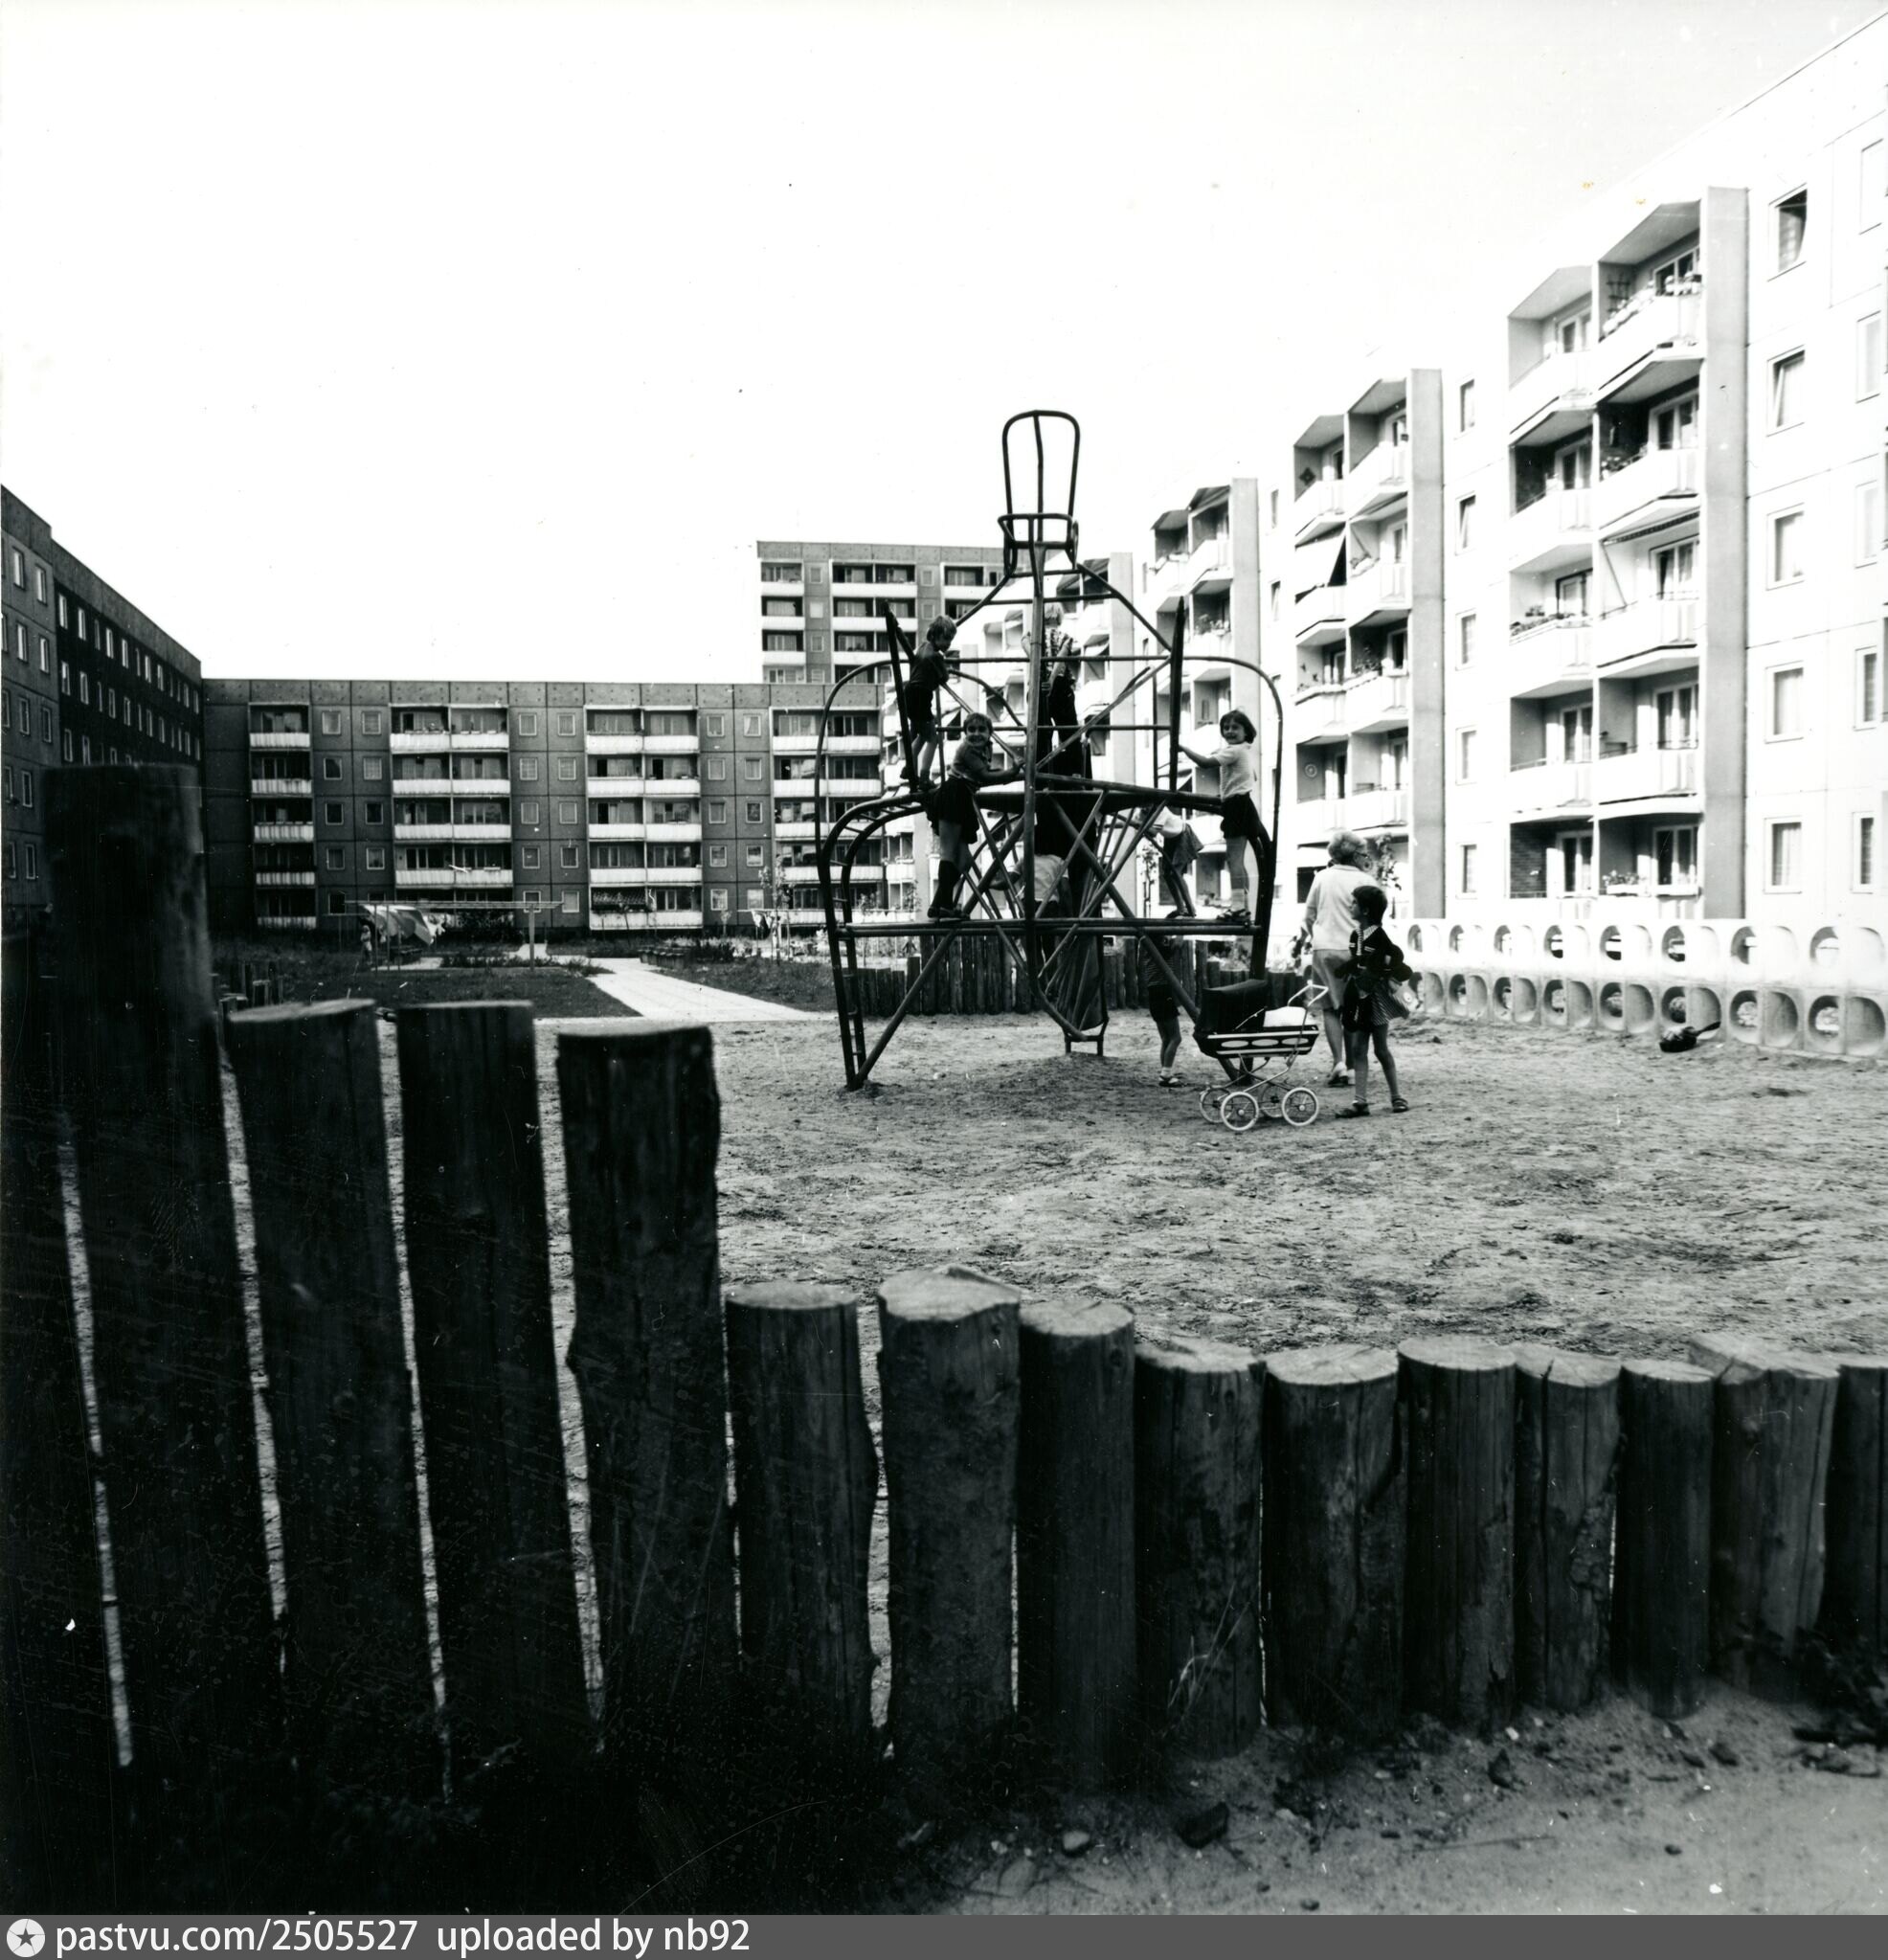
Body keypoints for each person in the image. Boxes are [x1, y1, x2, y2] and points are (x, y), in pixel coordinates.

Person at [1179, 710, 1270, 928]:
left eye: (1235, 727)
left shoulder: (1233, 751)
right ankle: (1243, 907)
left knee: (1233, 859)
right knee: (1238, 860)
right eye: (1226, 728)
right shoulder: (1244, 751)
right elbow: (1253, 776)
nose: (1229, 731)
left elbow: (1205, 763)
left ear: (1246, 731)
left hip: (1236, 806)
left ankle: (1237, 908)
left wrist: (1182, 748)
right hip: (1244, 804)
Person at [1296, 831, 1374, 1085]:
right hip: (1356, 950)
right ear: (1355, 855)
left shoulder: (1322, 877)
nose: (1366, 857)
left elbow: (1309, 916)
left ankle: (1338, 1063)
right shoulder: (1366, 881)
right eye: (1363, 854)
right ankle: (1352, 1068)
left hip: (1325, 948)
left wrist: (1314, 937)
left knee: (1330, 1008)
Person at [1334, 881, 1415, 1118]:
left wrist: (1367, 976)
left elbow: (1386, 962)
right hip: (1360, 997)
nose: (1350, 906)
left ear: (1366, 910)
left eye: (1354, 903)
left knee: (1380, 1048)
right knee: (1358, 1048)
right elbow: (1357, 960)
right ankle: (1360, 1101)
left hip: (1375, 998)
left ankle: (1397, 1096)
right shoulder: (1356, 935)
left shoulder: (1379, 937)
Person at [930, 711, 1017, 918]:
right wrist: (1013, 773)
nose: (976, 734)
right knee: (949, 852)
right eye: (971, 730)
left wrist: (1014, 773)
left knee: (964, 860)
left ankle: (938, 904)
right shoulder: (968, 749)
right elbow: (985, 776)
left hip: (964, 797)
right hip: (954, 794)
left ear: (989, 733)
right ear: (965, 732)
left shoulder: (985, 749)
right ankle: (946, 906)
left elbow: (987, 774)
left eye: (981, 730)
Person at [899, 616, 957, 786]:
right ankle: (924, 777)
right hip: (921, 697)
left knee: (922, 735)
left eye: (950, 639)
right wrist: (945, 668)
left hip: (910, 694)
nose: (948, 644)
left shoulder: (923, 647)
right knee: (933, 739)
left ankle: (909, 767)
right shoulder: (936, 656)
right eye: (946, 639)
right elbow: (944, 677)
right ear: (935, 636)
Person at [1139, 922, 1187, 1087]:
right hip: (1163, 993)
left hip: (1154, 994)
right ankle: (1166, 1075)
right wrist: (1182, 927)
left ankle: (1165, 1072)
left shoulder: (1150, 949)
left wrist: (1177, 916)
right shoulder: (1160, 951)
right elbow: (1178, 944)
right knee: (1176, 1038)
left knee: (1166, 1038)